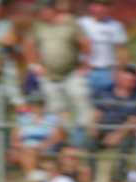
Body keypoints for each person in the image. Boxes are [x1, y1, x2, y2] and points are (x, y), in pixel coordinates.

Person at [27, 2, 93, 142]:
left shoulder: (70, 23)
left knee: (80, 100)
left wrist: (85, 65)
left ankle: (83, 139)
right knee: (55, 109)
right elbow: (29, 46)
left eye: (43, 11)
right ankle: (62, 140)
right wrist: (34, 65)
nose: (41, 14)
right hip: (49, 76)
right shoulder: (38, 27)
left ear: (51, 10)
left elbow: (85, 43)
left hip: (71, 73)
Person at [79, 0, 129, 99]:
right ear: (91, 7)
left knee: (106, 104)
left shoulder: (116, 26)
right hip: (85, 73)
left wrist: (119, 72)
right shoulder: (81, 23)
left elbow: (122, 51)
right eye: (98, 5)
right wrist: (79, 68)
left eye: (105, 5)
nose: (101, 8)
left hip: (108, 73)